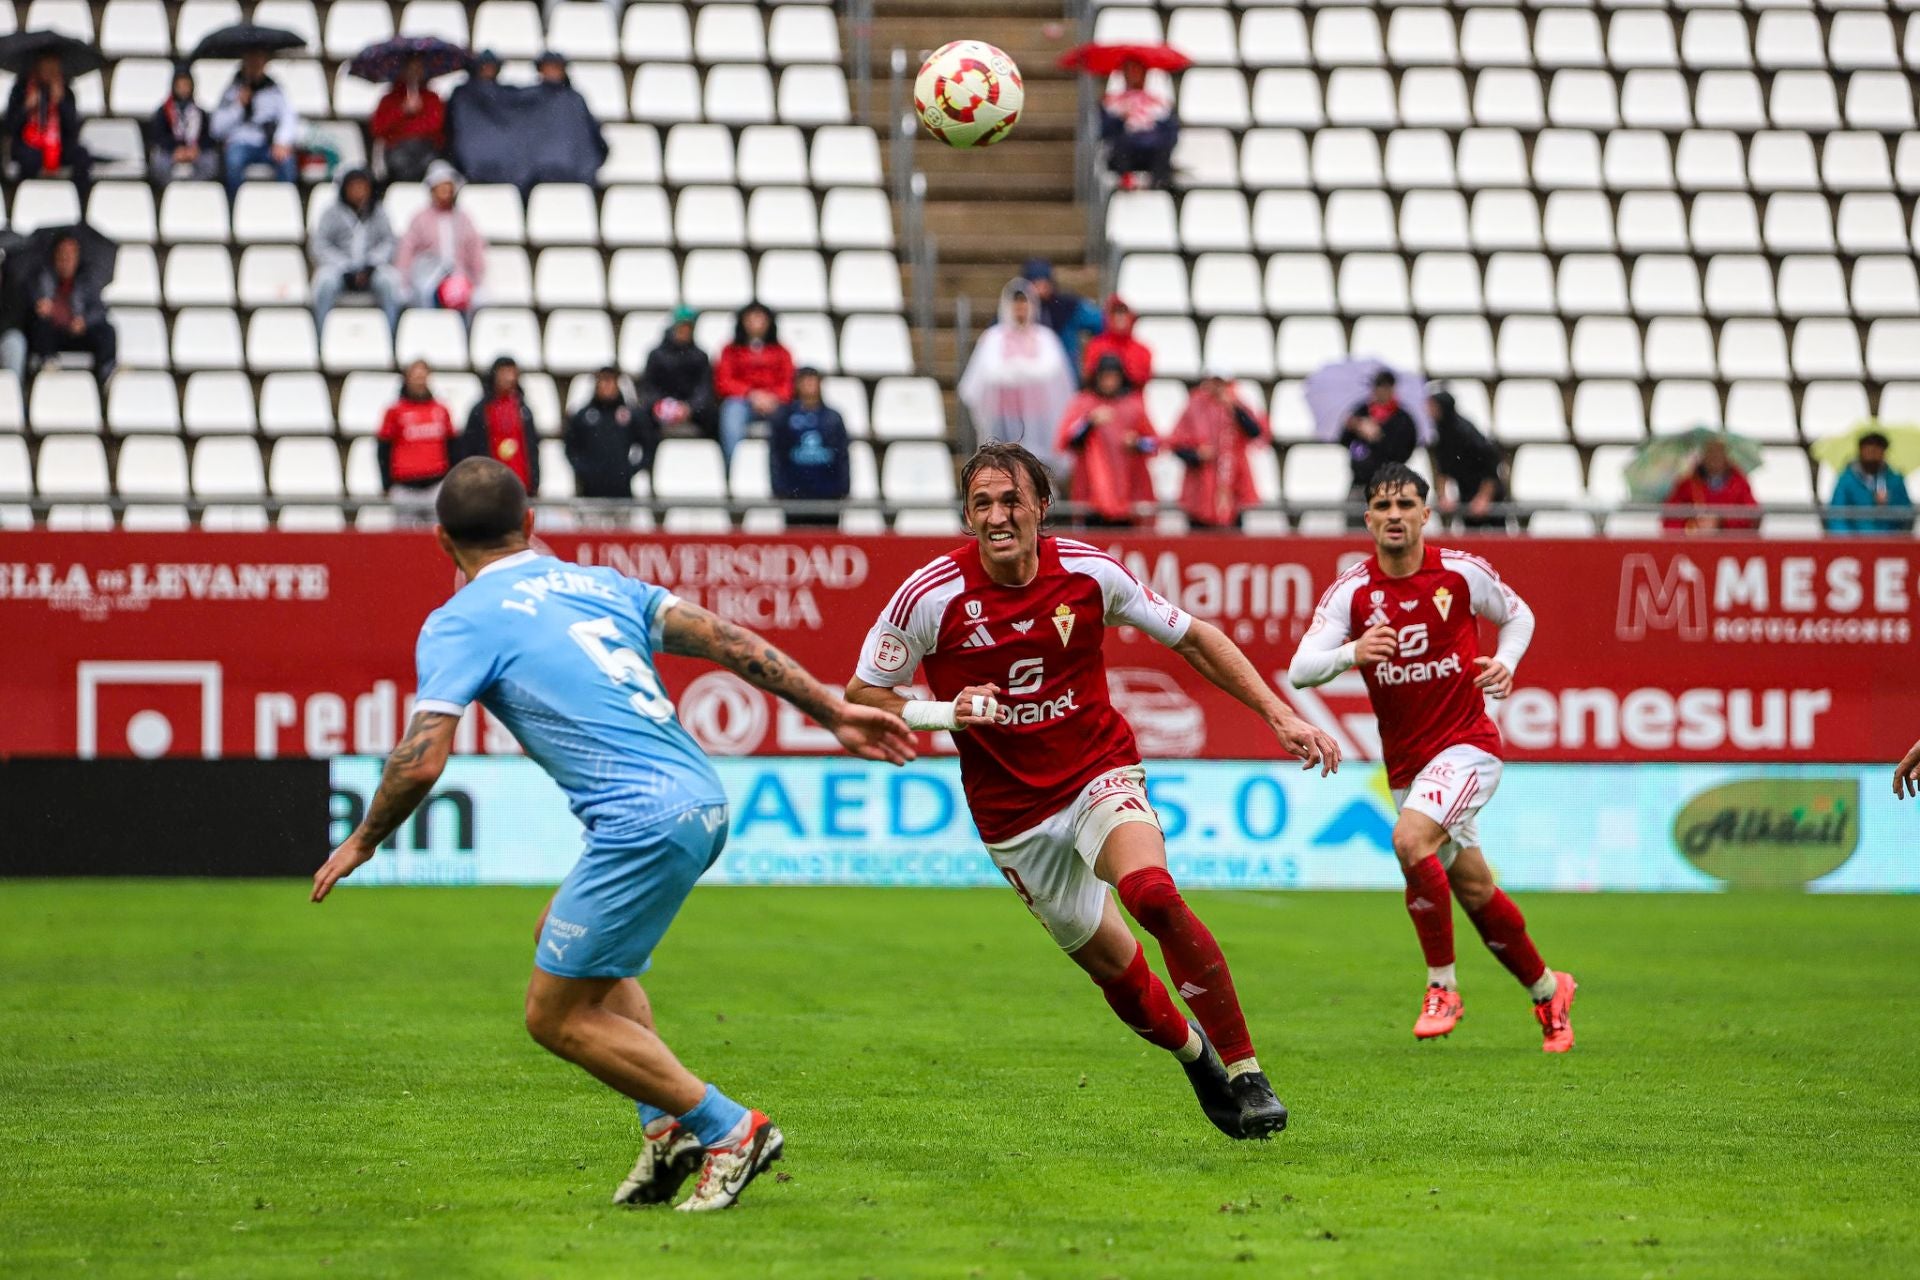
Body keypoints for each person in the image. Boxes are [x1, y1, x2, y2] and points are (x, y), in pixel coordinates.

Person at [311, 457, 914, 1212]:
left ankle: (728, 1129)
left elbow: (422, 758)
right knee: (558, 938)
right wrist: (827, 710)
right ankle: (666, 1130)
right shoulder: (599, 582)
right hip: (699, 799)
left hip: (642, 823)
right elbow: (726, 639)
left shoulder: (458, 620)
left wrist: (365, 838)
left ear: (440, 542)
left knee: (553, 1014)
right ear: (530, 525)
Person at [846, 441, 1340, 1140]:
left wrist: (1279, 712)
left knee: (1153, 895)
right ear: (965, 513)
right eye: (982, 503)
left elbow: (1195, 639)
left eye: (1011, 499)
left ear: (1041, 507)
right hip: (1013, 816)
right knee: (1116, 971)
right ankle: (1196, 1058)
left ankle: (1246, 1070)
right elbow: (862, 694)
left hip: (1096, 773)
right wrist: (944, 712)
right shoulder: (929, 596)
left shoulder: (1089, 572)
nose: (997, 516)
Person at [1288, 463, 1576, 1053]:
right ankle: (1550, 990)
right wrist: (1352, 651)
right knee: (1471, 888)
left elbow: (1519, 615)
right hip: (1408, 766)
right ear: (1367, 518)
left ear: (1426, 512)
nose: (1394, 515)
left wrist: (1508, 663)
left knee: (1408, 841)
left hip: (1468, 745)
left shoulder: (1461, 573)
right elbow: (1300, 669)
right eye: (1383, 506)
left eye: (1406, 505)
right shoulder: (1353, 591)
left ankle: (1442, 985)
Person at [957, 280, 1078, 468]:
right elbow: (988, 373)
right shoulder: (993, 337)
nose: (1020, 308)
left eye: (1024, 302)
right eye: (1015, 302)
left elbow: (1050, 370)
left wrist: (1016, 370)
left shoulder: (1045, 338)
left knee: (1037, 467)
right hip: (1003, 414)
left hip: (1038, 416)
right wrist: (1023, 371)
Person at [1054, 354, 1156, 527]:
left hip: (1128, 490)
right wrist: (1089, 423)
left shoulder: (1133, 406)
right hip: (1091, 490)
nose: (1109, 382)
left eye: (1113, 377)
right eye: (1105, 377)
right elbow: (1067, 440)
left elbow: (1154, 443)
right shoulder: (1083, 403)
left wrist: (1137, 443)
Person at [0, 233, 115, 385]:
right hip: (52, 332)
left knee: (106, 331)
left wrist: (84, 321)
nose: (66, 259)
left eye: (71, 254)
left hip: (77, 331)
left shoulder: (87, 281)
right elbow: (29, 302)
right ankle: (47, 364)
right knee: (40, 325)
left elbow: (100, 310)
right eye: (62, 253)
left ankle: (107, 374)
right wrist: (40, 306)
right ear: (55, 255)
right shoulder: (41, 277)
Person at [1169, 369, 1270, 529]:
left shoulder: (1238, 404)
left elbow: (1256, 432)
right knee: (1200, 535)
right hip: (1201, 485)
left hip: (1233, 482)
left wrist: (1234, 408)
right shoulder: (1195, 405)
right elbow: (1176, 444)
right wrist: (1197, 455)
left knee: (1232, 536)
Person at [311, 167, 404, 331]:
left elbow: (388, 242)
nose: (358, 191)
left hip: (372, 268)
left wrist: (371, 264)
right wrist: (345, 267)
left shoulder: (379, 212)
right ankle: (321, 334)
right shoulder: (331, 213)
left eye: (362, 186)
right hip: (339, 269)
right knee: (324, 282)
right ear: (344, 189)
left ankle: (391, 335)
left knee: (389, 282)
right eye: (353, 187)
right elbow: (321, 245)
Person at [395, 160, 488, 315]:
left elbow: (475, 249)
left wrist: (477, 281)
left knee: (462, 297)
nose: (445, 193)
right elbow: (407, 250)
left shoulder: (463, 218)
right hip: (426, 275)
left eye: (448, 188)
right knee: (424, 295)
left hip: (457, 274)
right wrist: (403, 281)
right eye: (441, 189)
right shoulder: (420, 218)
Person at [376, 360, 459, 525]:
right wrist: (386, 484)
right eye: (416, 376)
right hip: (405, 487)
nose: (420, 381)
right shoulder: (395, 411)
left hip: (435, 485)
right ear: (407, 379)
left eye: (423, 376)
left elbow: (452, 447)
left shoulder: (441, 410)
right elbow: (383, 448)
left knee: (437, 540)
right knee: (402, 541)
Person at [209, 50, 301, 196]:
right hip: (240, 143)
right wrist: (238, 106)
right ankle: (234, 205)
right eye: (251, 60)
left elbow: (288, 118)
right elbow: (216, 128)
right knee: (233, 161)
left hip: (268, 144)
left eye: (259, 60)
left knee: (287, 161)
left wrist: (281, 141)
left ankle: (284, 205)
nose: (255, 65)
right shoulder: (231, 90)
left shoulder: (275, 89)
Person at [768, 366, 850, 526]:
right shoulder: (784, 417)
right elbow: (777, 453)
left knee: (827, 541)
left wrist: (843, 488)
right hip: (795, 494)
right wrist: (779, 488)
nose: (809, 385)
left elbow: (842, 455)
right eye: (804, 381)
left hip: (827, 493)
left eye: (813, 380)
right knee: (797, 542)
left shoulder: (833, 418)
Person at [713, 302, 794, 463]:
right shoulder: (730, 350)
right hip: (742, 402)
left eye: (761, 319)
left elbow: (788, 382)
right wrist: (750, 394)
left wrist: (773, 397)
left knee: (789, 418)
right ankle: (733, 465)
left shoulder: (781, 352)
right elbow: (724, 381)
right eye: (751, 319)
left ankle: (784, 468)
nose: (756, 324)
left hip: (774, 403)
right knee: (732, 413)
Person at [6, 52, 90, 191]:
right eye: (47, 65)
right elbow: (10, 126)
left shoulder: (66, 92)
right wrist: (27, 107)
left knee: (82, 157)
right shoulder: (21, 89)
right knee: (29, 159)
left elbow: (72, 128)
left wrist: (61, 102)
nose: (51, 70)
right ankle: (26, 198)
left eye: (55, 65)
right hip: (29, 146)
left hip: (59, 146)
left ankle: (79, 200)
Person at [1427, 387, 1505, 530]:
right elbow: (1442, 468)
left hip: (1490, 493)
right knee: (1470, 538)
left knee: (1497, 538)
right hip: (1466, 493)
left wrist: (1484, 497)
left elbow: (1491, 464)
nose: (1428, 410)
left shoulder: (1465, 432)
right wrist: (1443, 497)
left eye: (1432, 406)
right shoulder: (1441, 431)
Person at [565, 366, 648, 500]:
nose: (607, 386)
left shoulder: (631, 415)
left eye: (610, 381)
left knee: (623, 520)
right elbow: (571, 447)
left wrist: (630, 469)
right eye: (603, 381)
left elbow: (647, 443)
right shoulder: (583, 416)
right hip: (590, 493)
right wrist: (584, 470)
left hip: (622, 492)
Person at [636, 307, 717, 443]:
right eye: (681, 327)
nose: (684, 332)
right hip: (661, 406)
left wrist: (690, 407)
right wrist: (662, 405)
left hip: (692, 409)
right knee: (641, 418)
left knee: (714, 418)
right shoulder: (656, 355)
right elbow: (648, 387)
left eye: (688, 328)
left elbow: (704, 389)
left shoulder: (700, 356)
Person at [1341, 370, 1418, 514]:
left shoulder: (1403, 419)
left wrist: (1378, 436)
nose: (1379, 391)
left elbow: (1401, 453)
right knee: (1354, 530)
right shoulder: (1362, 411)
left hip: (1389, 485)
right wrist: (1355, 426)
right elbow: (1344, 440)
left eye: (1383, 387)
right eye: (1377, 387)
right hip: (1359, 483)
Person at [461, 357, 540, 492]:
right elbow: (470, 447)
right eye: (504, 373)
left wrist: (535, 479)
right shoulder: (481, 411)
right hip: (489, 486)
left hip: (521, 485)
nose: (509, 378)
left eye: (512, 373)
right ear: (494, 375)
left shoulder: (524, 409)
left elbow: (532, 447)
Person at [1099, 58, 1177, 190]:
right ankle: (1126, 179)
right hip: (1124, 152)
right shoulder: (1111, 102)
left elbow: (1171, 133)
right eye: (1129, 71)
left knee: (1162, 148)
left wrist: (1154, 125)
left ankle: (1157, 184)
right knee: (1121, 145)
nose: (1134, 75)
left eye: (1138, 71)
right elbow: (1105, 132)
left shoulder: (1159, 103)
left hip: (1152, 152)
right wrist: (1120, 119)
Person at [369, 54, 446, 183]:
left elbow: (435, 125)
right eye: (410, 68)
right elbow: (377, 128)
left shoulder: (432, 98)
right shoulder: (389, 99)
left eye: (418, 68)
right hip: (397, 151)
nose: (414, 72)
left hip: (426, 150)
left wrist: (414, 119)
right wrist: (402, 111)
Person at [1661, 436, 1759, 534]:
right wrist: (1692, 524)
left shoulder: (1740, 483)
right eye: (1710, 452)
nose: (1715, 457)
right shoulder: (1687, 484)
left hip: (1730, 545)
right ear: (1703, 456)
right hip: (1695, 544)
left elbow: (1753, 518)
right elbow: (1669, 517)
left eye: (1719, 453)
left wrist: (1722, 522)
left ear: (1726, 457)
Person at [1023, 259, 1102, 372]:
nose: (1041, 288)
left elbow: (1102, 322)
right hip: (1032, 376)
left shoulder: (1068, 306)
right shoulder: (1016, 311)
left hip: (1066, 373)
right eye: (1035, 283)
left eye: (1044, 282)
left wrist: (1095, 352)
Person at [1826, 431, 1911, 535]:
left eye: (1877, 448)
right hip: (1855, 544)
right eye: (1868, 447)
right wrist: (1850, 543)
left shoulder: (1895, 480)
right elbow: (1837, 517)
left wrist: (1890, 503)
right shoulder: (1846, 480)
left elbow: (1907, 516)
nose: (1872, 452)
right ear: (1860, 450)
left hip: (1888, 544)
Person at [145, 64, 216, 185]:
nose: (183, 89)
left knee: (210, 161)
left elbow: (208, 137)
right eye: (180, 85)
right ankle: (170, 189)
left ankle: (196, 188)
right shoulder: (164, 111)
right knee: (159, 161)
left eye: (186, 85)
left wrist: (195, 150)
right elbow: (159, 136)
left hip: (195, 152)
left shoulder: (200, 112)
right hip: (171, 152)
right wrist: (175, 150)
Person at [1078, 295, 1153, 390]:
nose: (1119, 318)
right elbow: (1088, 377)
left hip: (1130, 399)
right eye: (1115, 313)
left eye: (1123, 313)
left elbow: (1142, 379)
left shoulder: (1142, 350)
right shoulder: (1095, 345)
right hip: (1099, 399)